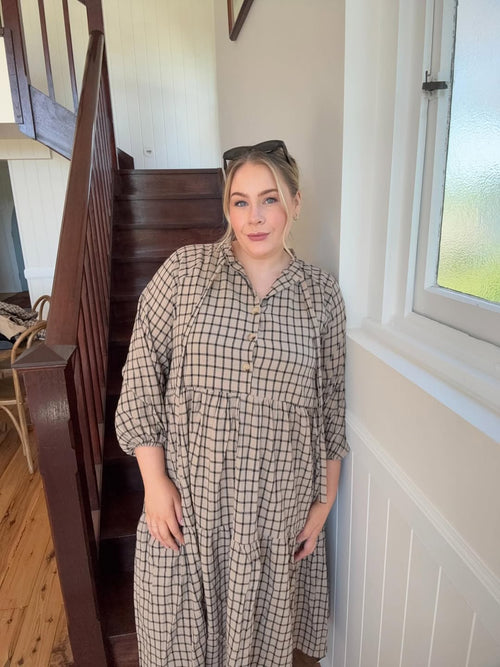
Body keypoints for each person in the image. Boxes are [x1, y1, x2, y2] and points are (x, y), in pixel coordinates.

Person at [115, 139, 349, 667]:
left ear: (295, 202)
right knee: (178, 643)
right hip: (188, 506)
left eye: (269, 199)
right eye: (240, 202)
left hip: (276, 511)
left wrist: (324, 502)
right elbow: (142, 375)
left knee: (258, 647)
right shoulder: (186, 273)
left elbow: (331, 403)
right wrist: (154, 483)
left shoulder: (320, 295)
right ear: (227, 208)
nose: (254, 217)